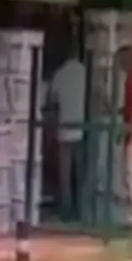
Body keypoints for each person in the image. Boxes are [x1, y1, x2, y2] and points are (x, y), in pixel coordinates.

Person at [49, 47, 86, 217]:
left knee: (65, 173)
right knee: (81, 171)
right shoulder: (87, 73)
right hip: (84, 128)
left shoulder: (59, 75)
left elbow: (52, 101)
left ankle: (66, 210)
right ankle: (82, 207)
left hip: (64, 129)